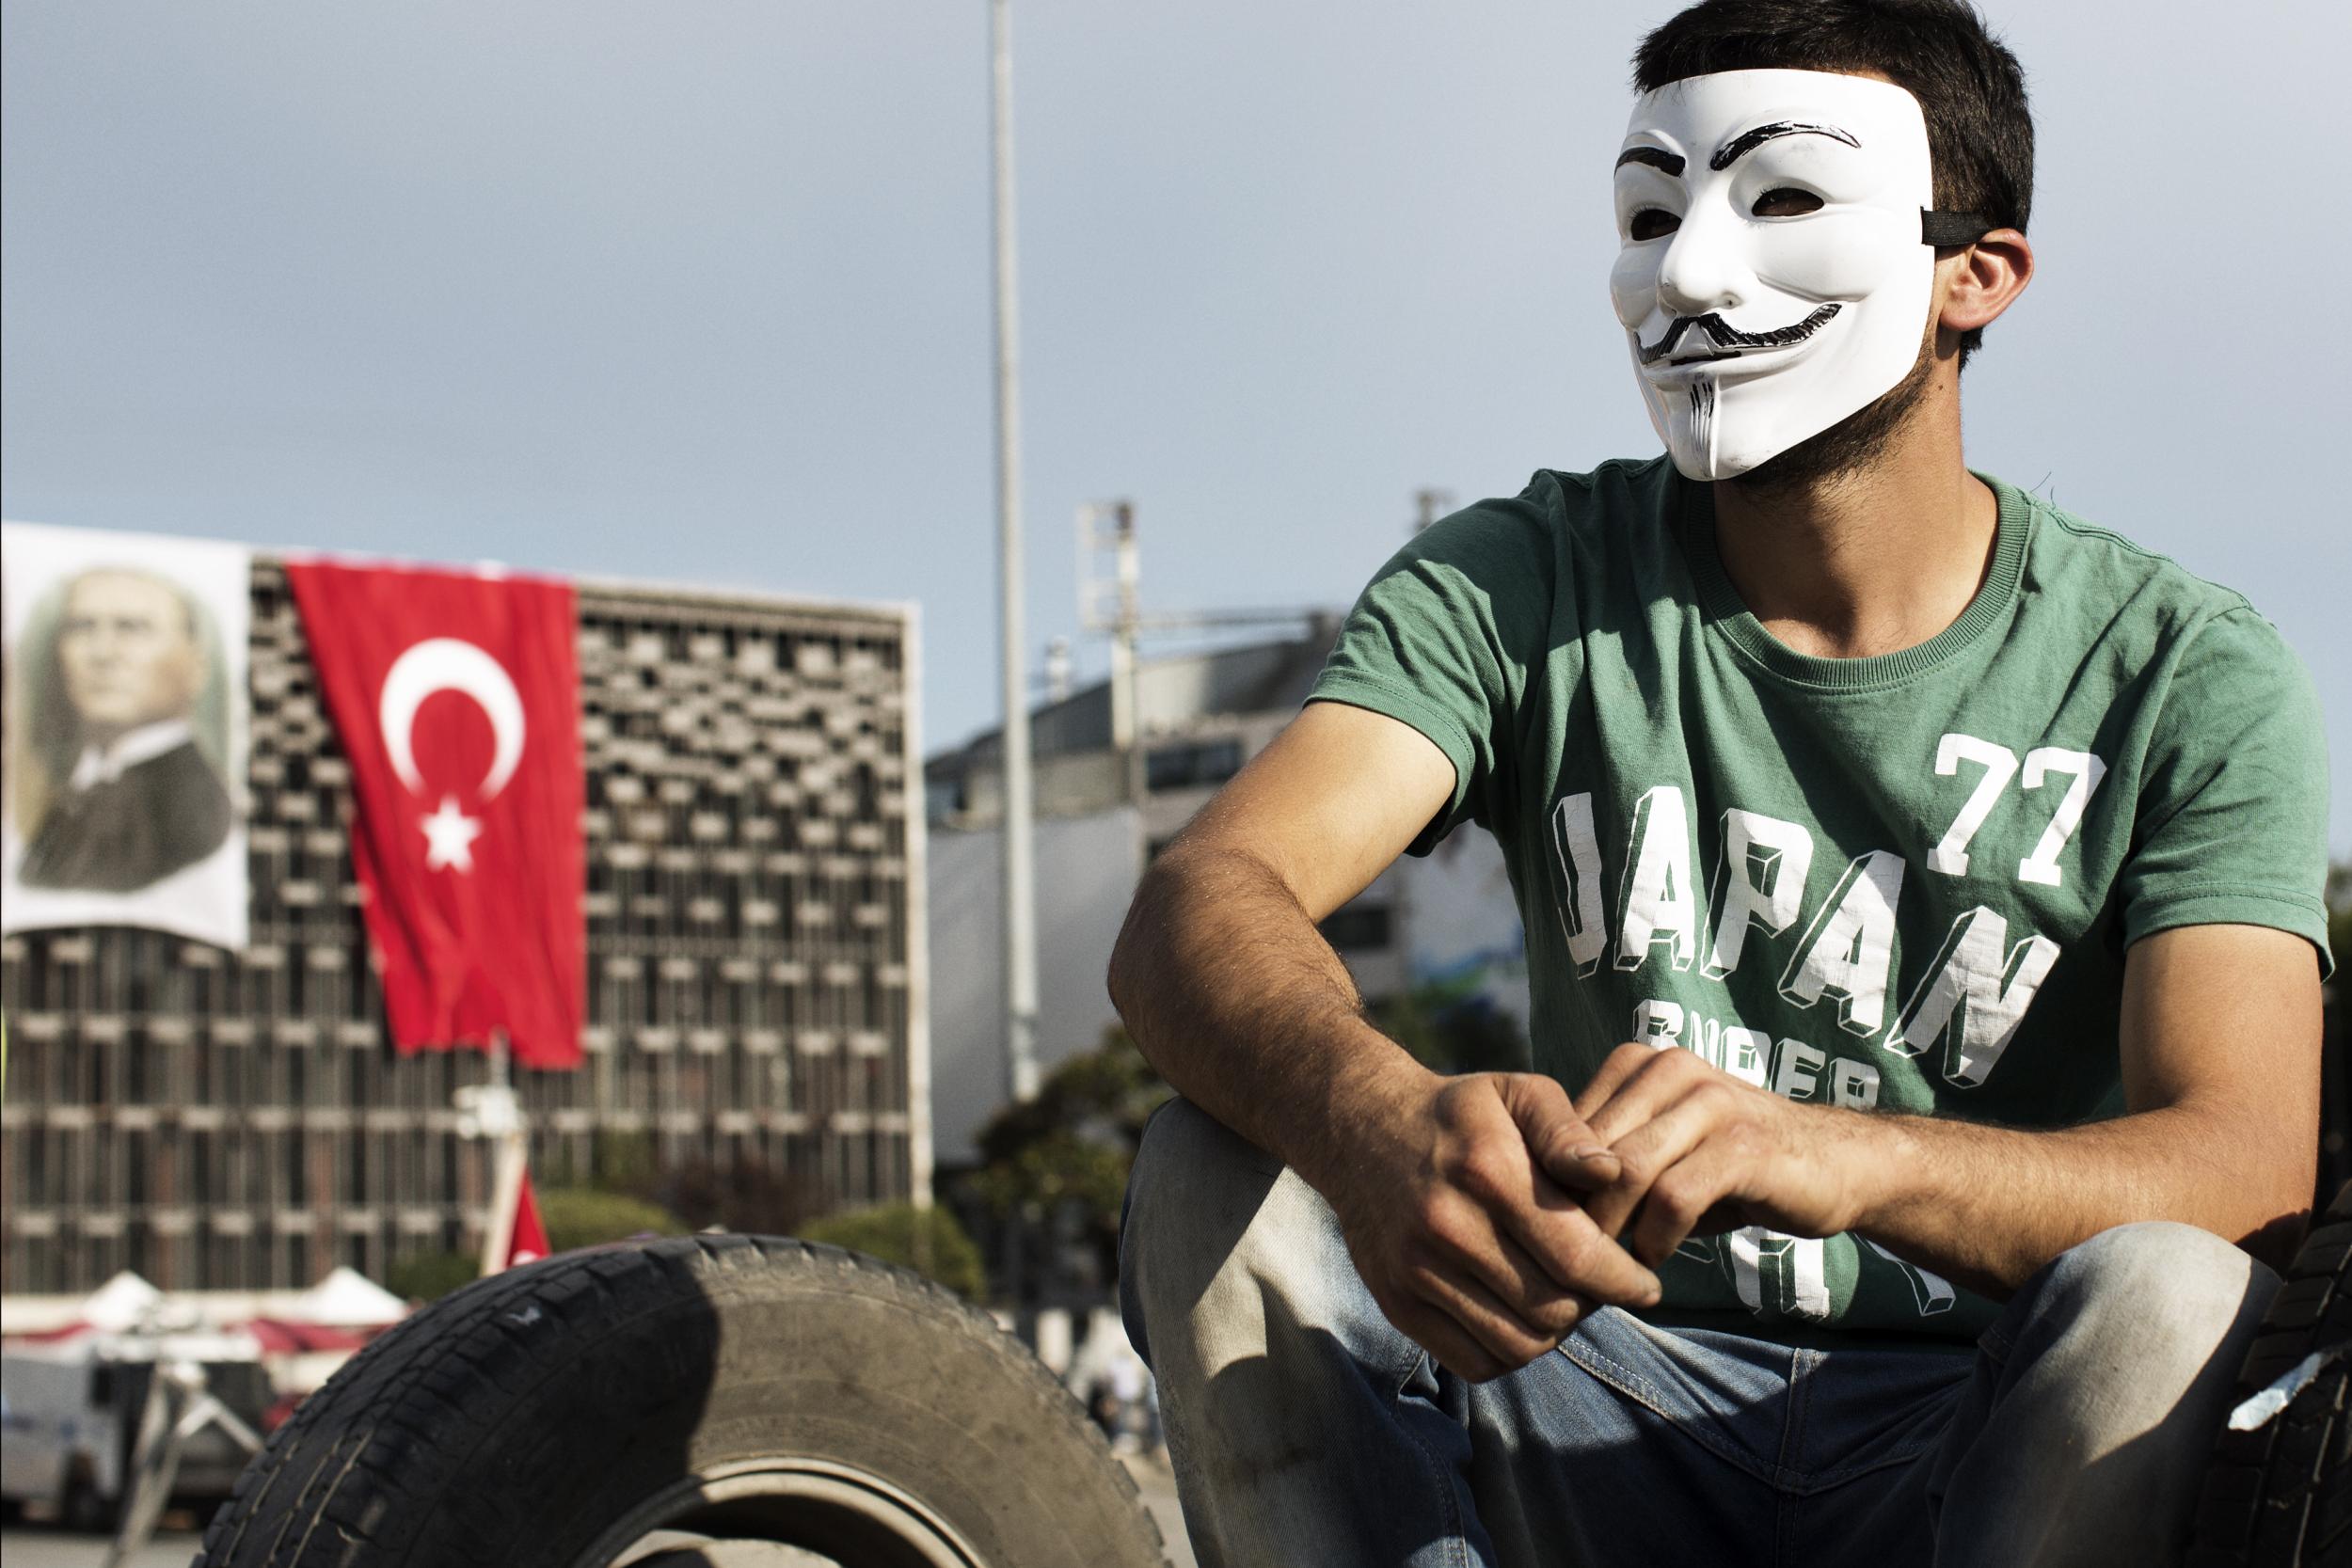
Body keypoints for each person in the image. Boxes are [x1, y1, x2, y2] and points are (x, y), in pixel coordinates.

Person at [1108, 3, 2332, 1565]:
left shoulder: (2184, 669)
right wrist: (1378, 1119)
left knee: (2169, 1285)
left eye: (1786, 201)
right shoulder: (1523, 577)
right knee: (1217, 1164)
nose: (1689, 273)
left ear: (1979, 275)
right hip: (1573, 1369)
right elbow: (1199, 898)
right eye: (1648, 212)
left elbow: (2241, 1165)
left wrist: (1832, 1149)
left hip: (1977, 1420)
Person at [16, 565, 233, 892]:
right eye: (82, 627)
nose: (101, 653)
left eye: (132, 628)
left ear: (196, 665)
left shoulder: (198, 811)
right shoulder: (72, 794)